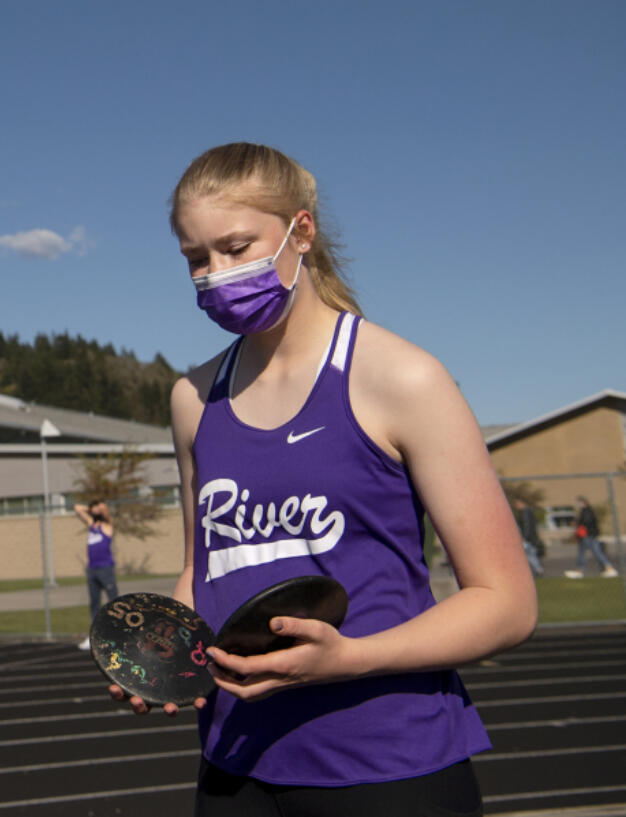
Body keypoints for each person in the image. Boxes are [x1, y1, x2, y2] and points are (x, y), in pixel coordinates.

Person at [109, 142, 538, 816]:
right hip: (235, 761)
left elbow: (507, 601)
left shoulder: (402, 378)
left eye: (237, 246)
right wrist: (165, 654)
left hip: (387, 763)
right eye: (197, 257)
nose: (217, 273)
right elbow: (203, 571)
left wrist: (349, 657)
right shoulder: (193, 399)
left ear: (299, 231)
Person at [74, 500, 118, 650]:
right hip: (92, 569)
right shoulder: (92, 525)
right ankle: (94, 636)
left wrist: (100, 508)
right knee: (94, 603)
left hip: (106, 569)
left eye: (99, 508)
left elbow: (105, 512)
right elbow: (77, 507)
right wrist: (91, 508)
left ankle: (118, 634)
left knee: (114, 602)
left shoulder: (107, 526)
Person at [565, 496, 618, 578]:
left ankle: (609, 568)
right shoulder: (584, 511)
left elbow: (586, 523)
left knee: (596, 552)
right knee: (581, 553)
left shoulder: (588, 511)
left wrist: (578, 524)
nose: (578, 504)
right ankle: (579, 570)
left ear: (584, 502)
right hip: (583, 536)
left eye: (580, 503)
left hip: (588, 535)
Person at [513, 498, 545, 577]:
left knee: (530, 555)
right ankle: (537, 570)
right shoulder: (528, 511)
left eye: (517, 504)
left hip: (529, 539)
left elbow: (527, 526)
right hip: (531, 538)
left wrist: (524, 537)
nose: (516, 506)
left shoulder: (525, 512)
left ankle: (538, 570)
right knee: (531, 555)